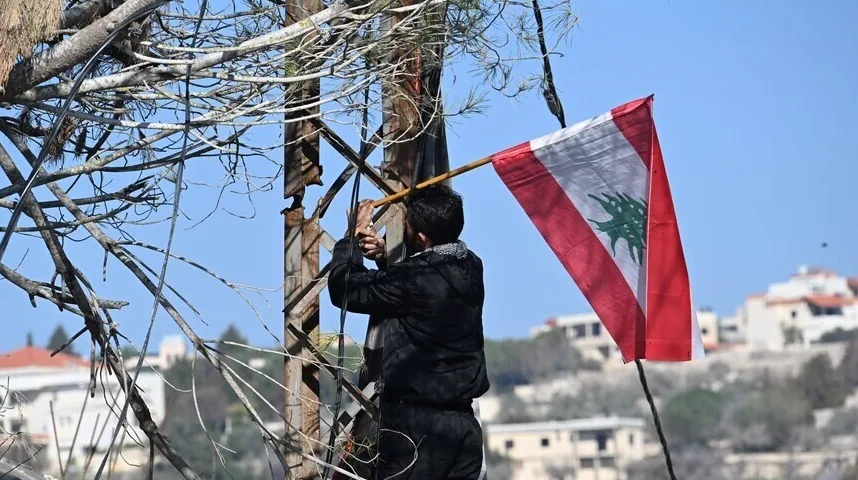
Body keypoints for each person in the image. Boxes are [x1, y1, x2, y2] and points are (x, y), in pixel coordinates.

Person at [328, 184, 490, 479]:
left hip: (417, 431)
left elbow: (345, 289)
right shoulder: (471, 266)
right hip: (463, 428)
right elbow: (426, 279)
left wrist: (351, 236)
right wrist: (385, 257)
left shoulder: (411, 280)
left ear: (422, 238)